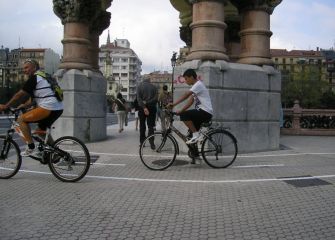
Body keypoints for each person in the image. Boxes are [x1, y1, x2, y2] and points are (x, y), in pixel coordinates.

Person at [0, 59, 63, 157]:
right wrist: (23, 105)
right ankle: (56, 153)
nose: (24, 70)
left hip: (48, 107)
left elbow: (19, 95)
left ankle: (30, 146)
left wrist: (6, 106)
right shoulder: (44, 76)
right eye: (23, 68)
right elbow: (35, 99)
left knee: (21, 120)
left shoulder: (35, 77)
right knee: (40, 131)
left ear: (34, 67)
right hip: (58, 108)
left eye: (27, 67)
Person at [168, 69, 213, 144]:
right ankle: (195, 152)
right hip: (203, 112)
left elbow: (186, 95)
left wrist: (174, 104)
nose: (185, 81)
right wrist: (181, 110)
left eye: (186, 79)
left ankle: (196, 135)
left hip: (205, 112)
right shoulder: (196, 87)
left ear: (191, 77)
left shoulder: (198, 84)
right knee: (190, 135)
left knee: (184, 115)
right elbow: (190, 101)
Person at [137, 77, 158, 148]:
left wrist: (144, 107)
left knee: (142, 125)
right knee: (151, 126)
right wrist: (148, 102)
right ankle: (152, 143)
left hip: (142, 108)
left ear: (143, 80)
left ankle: (142, 142)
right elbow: (156, 99)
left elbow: (138, 99)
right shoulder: (154, 87)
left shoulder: (139, 86)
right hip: (152, 108)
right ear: (149, 81)